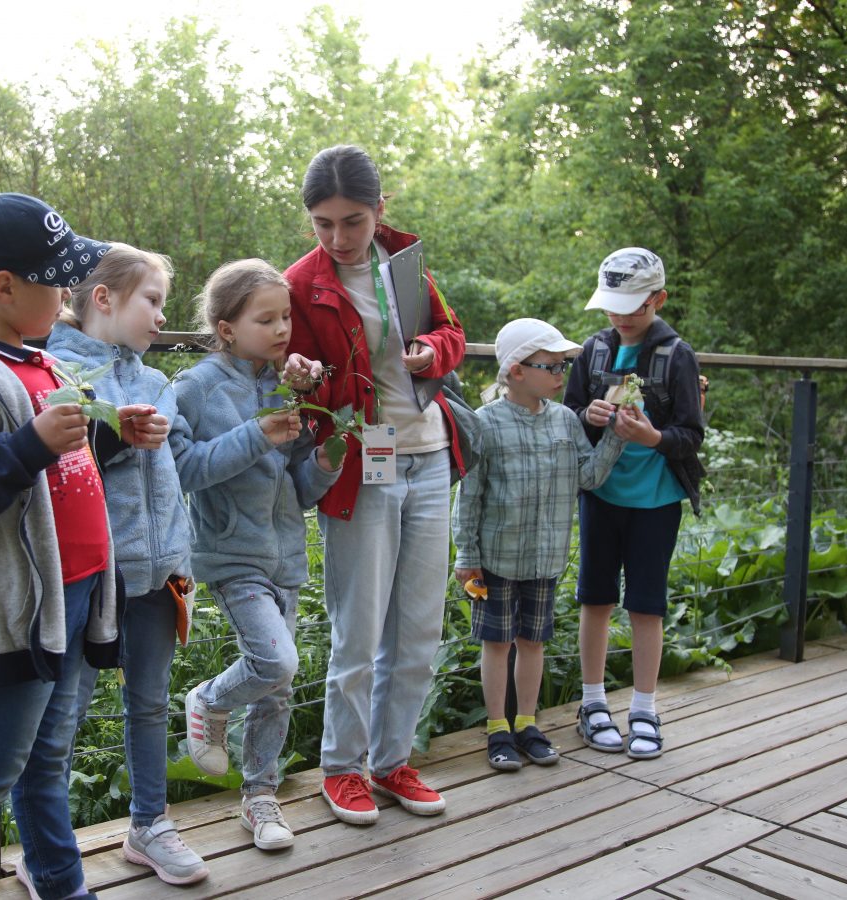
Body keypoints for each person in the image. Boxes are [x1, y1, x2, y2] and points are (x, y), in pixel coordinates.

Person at [0, 193, 156, 899]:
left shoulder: (39, 361)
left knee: (47, 759)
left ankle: (60, 881)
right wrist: (28, 444)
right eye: (57, 281)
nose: (70, 294)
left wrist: (112, 431)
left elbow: (58, 461)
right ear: (5, 287)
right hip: (13, 616)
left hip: (70, 598)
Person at [284, 145, 468, 825]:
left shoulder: (406, 265)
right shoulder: (300, 284)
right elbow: (296, 385)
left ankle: (393, 762)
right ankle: (342, 768)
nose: (337, 238)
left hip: (429, 455)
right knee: (357, 626)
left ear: (380, 210)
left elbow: (451, 332)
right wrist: (301, 375)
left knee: (419, 625)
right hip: (364, 458)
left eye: (352, 221)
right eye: (323, 223)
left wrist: (433, 351)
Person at [44, 244, 208, 886]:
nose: (162, 317)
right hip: (91, 580)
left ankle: (149, 824)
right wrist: (111, 435)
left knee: (149, 702)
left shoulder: (153, 379)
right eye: (153, 300)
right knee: (64, 714)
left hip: (158, 571)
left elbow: (169, 479)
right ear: (104, 300)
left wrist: (180, 558)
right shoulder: (56, 370)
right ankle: (47, 847)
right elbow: (52, 465)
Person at [171, 259, 341, 849]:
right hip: (232, 556)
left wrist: (323, 462)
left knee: (277, 687)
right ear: (225, 328)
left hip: (286, 556)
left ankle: (261, 797)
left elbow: (295, 483)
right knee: (277, 663)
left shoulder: (281, 385)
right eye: (265, 318)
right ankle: (209, 699)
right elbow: (181, 469)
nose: (281, 329)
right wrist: (255, 435)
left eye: (286, 316)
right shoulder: (195, 387)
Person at [452, 318, 632, 771]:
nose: (561, 375)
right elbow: (469, 496)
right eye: (550, 366)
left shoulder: (566, 421)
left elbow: (587, 476)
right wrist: (466, 557)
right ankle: (497, 728)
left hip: (545, 559)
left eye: (562, 366)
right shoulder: (484, 423)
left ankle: (527, 724)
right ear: (516, 371)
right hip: (495, 559)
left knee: (533, 642)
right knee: (496, 644)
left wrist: (615, 438)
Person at [562, 247, 705, 760]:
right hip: (600, 494)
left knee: (647, 603)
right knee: (594, 597)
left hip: (657, 500)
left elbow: (691, 434)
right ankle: (593, 703)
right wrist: (588, 416)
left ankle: (644, 707)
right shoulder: (594, 349)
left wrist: (652, 437)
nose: (620, 317)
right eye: (611, 305)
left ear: (657, 299)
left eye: (631, 306)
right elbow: (569, 412)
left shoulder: (677, 355)